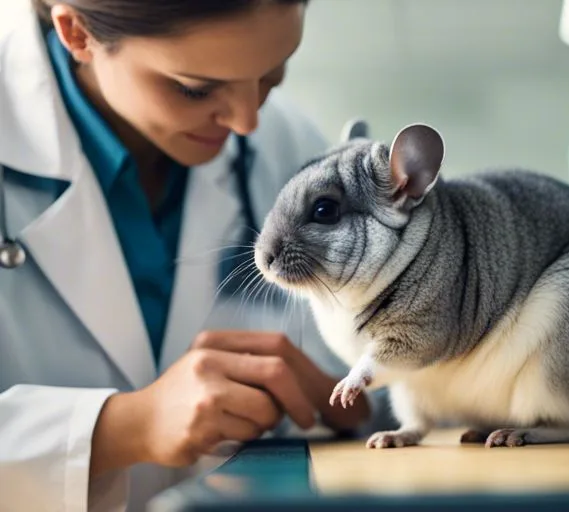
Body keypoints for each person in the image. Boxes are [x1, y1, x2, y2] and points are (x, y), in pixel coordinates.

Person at [0, 1, 393, 511]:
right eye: (195, 88)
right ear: (77, 33)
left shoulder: (283, 143)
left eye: (272, 77)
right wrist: (123, 427)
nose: (246, 121)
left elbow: (384, 396)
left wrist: (347, 401)